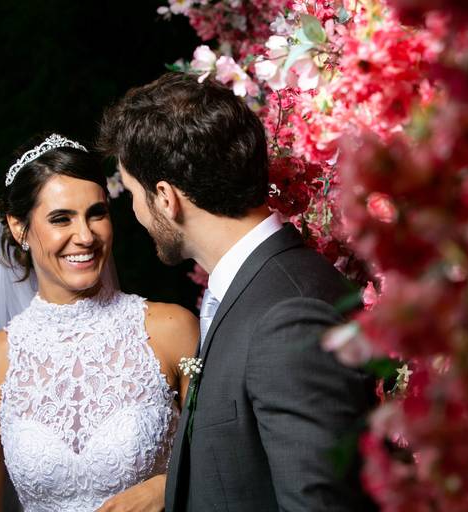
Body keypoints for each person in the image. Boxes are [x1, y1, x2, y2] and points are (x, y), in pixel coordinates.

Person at [98, 73, 376, 511]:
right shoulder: (254, 289)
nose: (134, 211)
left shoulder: (288, 316)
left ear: (166, 198)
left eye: (133, 194)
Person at [0, 133, 198, 512]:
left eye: (96, 213)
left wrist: (168, 488)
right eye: (60, 218)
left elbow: (227, 465)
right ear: (19, 228)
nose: (85, 236)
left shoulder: (172, 330)